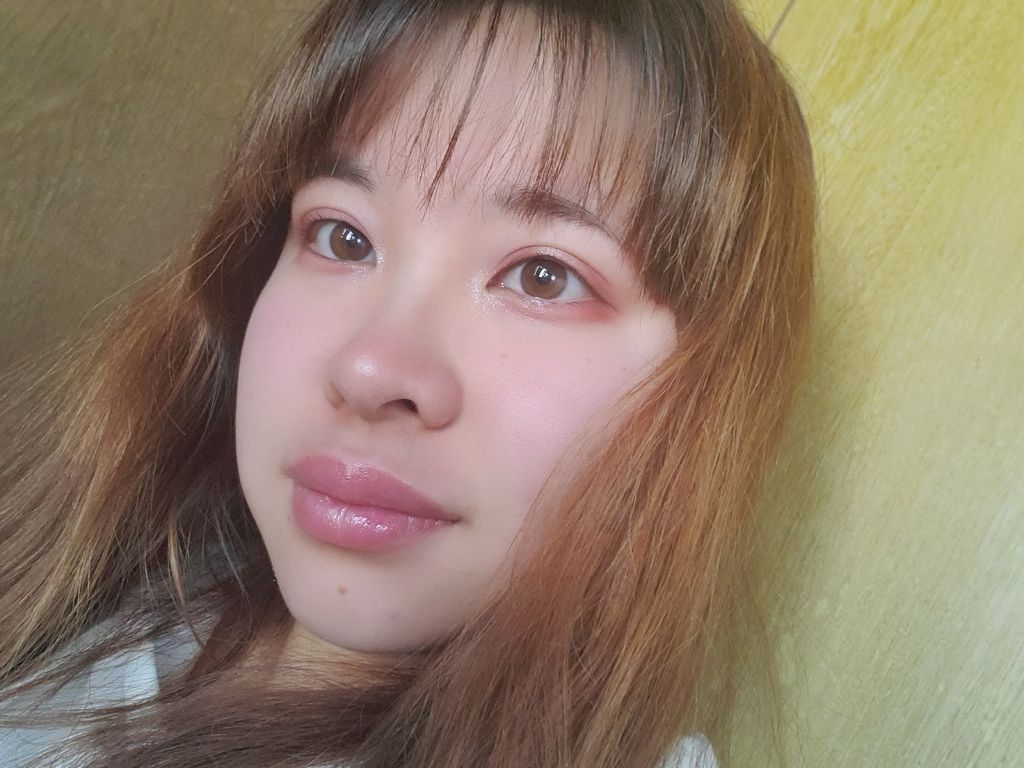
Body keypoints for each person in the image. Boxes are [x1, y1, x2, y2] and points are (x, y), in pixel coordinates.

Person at [0, 0, 815, 765]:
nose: (367, 370)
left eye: (543, 276)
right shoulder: (105, 572)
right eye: (343, 237)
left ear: (711, 388)